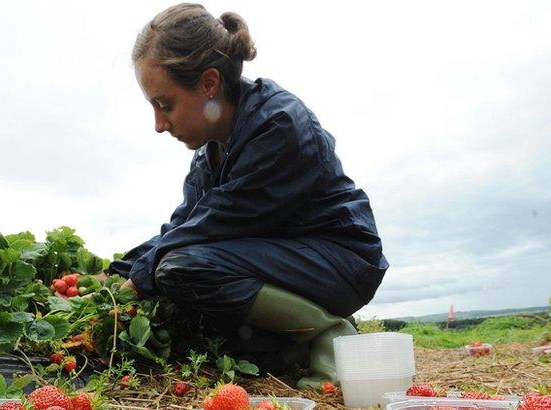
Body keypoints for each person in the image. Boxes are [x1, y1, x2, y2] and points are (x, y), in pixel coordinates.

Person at [108, 3, 388, 389]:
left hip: (340, 259)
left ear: (209, 83)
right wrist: (118, 272)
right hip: (283, 258)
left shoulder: (279, 126)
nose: (159, 124)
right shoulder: (210, 152)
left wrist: (141, 277)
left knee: (181, 269)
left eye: (164, 103)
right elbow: (183, 225)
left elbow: (212, 225)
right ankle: (288, 346)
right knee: (213, 324)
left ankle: (328, 331)